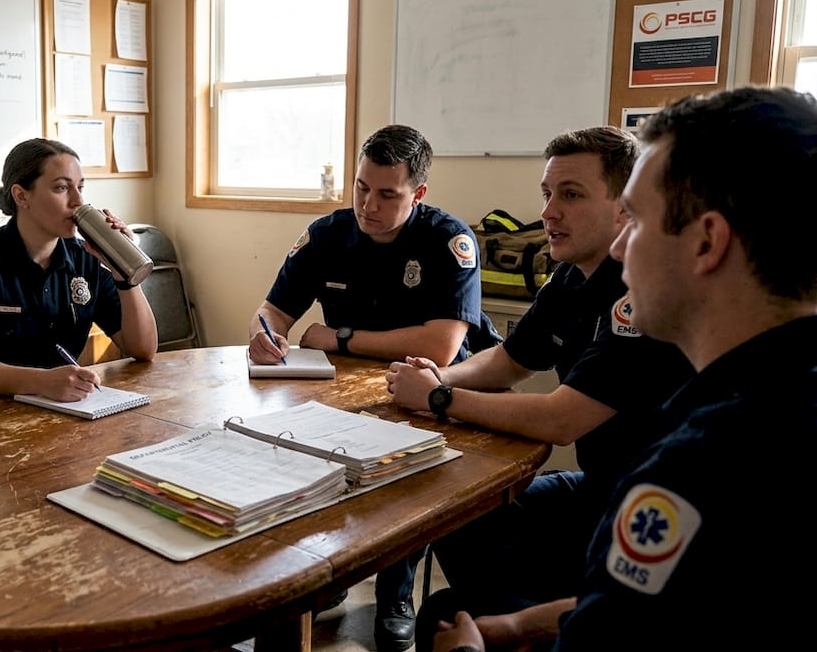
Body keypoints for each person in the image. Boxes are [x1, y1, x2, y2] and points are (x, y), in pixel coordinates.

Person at [432, 86, 817, 652]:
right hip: (598, 489)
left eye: (635, 220)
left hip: (611, 492)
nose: (619, 250)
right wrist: (521, 625)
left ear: (707, 242)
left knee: (448, 616)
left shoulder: (698, 467)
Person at [386, 126, 693, 652]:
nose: (549, 211)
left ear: (625, 209)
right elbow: (510, 360)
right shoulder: (571, 275)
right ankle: (512, 607)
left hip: (648, 507)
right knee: (458, 512)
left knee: (444, 610)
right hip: (601, 485)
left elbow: (562, 419)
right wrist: (438, 376)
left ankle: (524, 619)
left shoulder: (641, 291)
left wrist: (438, 399)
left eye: (570, 195)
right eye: (547, 194)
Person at [248, 123, 496, 651]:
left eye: (388, 194)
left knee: (402, 474)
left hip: (437, 390)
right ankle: (331, 576)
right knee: (301, 453)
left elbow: (442, 347)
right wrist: (263, 336)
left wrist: (337, 337)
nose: (369, 204)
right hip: (347, 388)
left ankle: (395, 593)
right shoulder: (326, 234)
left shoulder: (448, 240)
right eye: (362, 187)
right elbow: (272, 311)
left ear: (419, 194)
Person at [0, 137, 158, 400]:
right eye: (62, 188)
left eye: (80, 187)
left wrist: (124, 274)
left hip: (60, 408)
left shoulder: (86, 258)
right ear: (21, 196)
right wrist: (41, 381)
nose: (78, 201)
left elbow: (143, 349)